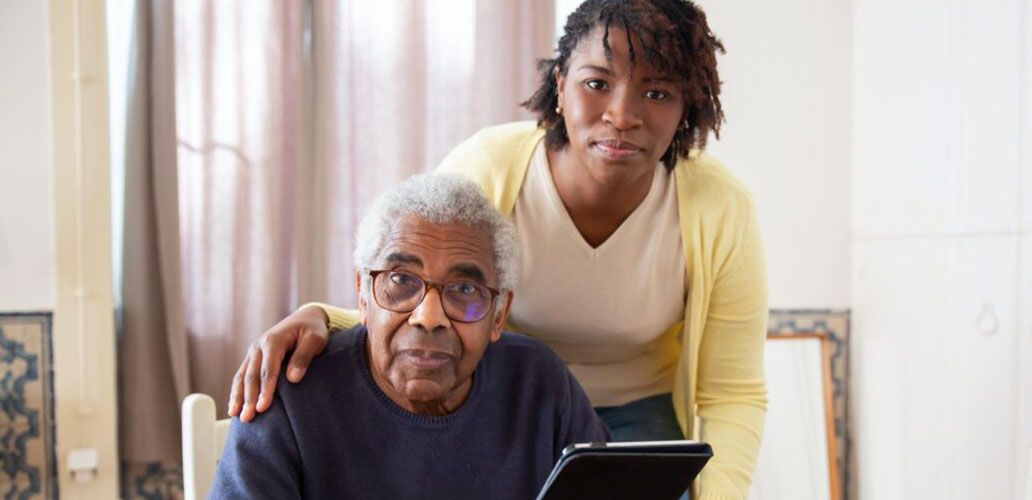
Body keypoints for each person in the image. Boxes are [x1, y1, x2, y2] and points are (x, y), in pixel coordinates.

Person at [229, 1, 767, 498]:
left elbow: (730, 391)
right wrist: (324, 316)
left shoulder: (718, 208)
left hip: (637, 409)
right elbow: (424, 277)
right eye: (597, 83)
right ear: (561, 86)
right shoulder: (491, 165)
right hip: (507, 397)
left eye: (656, 92)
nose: (622, 114)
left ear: (685, 107)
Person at [209, 173, 610, 499]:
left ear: (499, 315)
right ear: (363, 296)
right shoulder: (288, 393)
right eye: (401, 280)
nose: (429, 317)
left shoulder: (539, 383)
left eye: (465, 289)